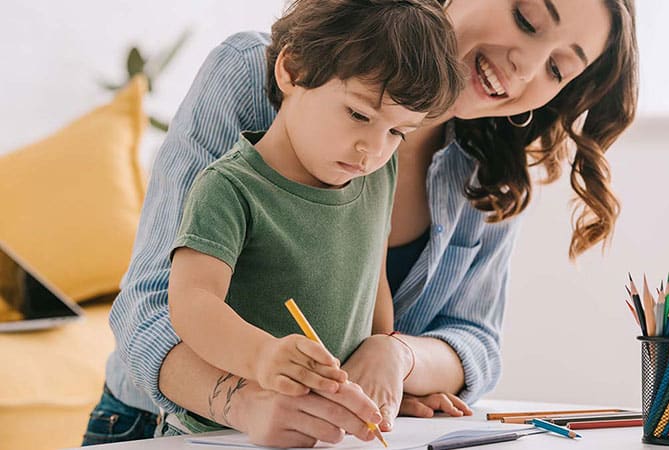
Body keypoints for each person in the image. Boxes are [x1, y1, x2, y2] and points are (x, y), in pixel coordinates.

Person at [84, 0, 639, 447]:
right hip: (157, 428)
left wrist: (395, 357)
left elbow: (476, 344)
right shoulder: (258, 76)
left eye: (558, 68)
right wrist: (244, 401)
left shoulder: (489, 169)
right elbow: (151, 309)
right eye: (527, 18)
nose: (526, 66)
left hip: (332, 436)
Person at [160, 0, 463, 438]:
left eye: (397, 132)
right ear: (293, 70)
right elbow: (192, 303)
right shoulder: (229, 188)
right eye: (359, 114)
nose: (372, 150)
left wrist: (383, 386)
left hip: (326, 430)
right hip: (221, 434)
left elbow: (371, 283)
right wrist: (261, 357)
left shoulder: (378, 176)